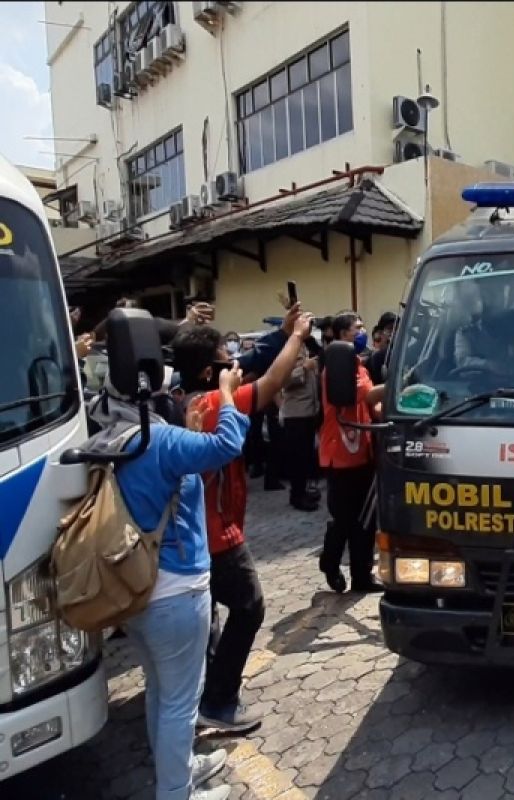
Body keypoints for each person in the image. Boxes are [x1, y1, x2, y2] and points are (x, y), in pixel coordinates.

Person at [92, 363, 248, 800]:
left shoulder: (112, 437)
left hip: (136, 588)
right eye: (176, 393)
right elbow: (227, 444)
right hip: (177, 592)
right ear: (155, 398)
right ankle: (176, 793)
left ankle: (179, 770)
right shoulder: (157, 439)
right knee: (181, 701)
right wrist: (227, 392)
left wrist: (189, 427)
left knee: (161, 691)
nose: (181, 399)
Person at [171, 304, 312, 733]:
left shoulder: (184, 401)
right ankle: (219, 700)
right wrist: (298, 337)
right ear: (206, 373)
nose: (233, 363)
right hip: (218, 537)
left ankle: (202, 689)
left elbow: (251, 365)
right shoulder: (213, 405)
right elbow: (271, 382)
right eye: (223, 358)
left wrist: (281, 333)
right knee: (249, 608)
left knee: (209, 616)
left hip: (193, 537)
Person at [320, 312, 388, 592]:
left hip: (363, 451)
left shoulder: (360, 368)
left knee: (366, 520)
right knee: (344, 519)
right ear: (342, 335)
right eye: (356, 329)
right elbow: (369, 395)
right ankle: (330, 561)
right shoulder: (336, 369)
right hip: (341, 455)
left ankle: (362, 577)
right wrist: (400, 384)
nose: (362, 333)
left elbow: (373, 407)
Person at [280, 339, 322, 511]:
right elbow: (283, 381)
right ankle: (297, 496)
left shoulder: (305, 348)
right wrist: (304, 368)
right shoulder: (288, 351)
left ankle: (303, 491)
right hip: (295, 414)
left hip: (308, 412)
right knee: (297, 459)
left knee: (305, 457)